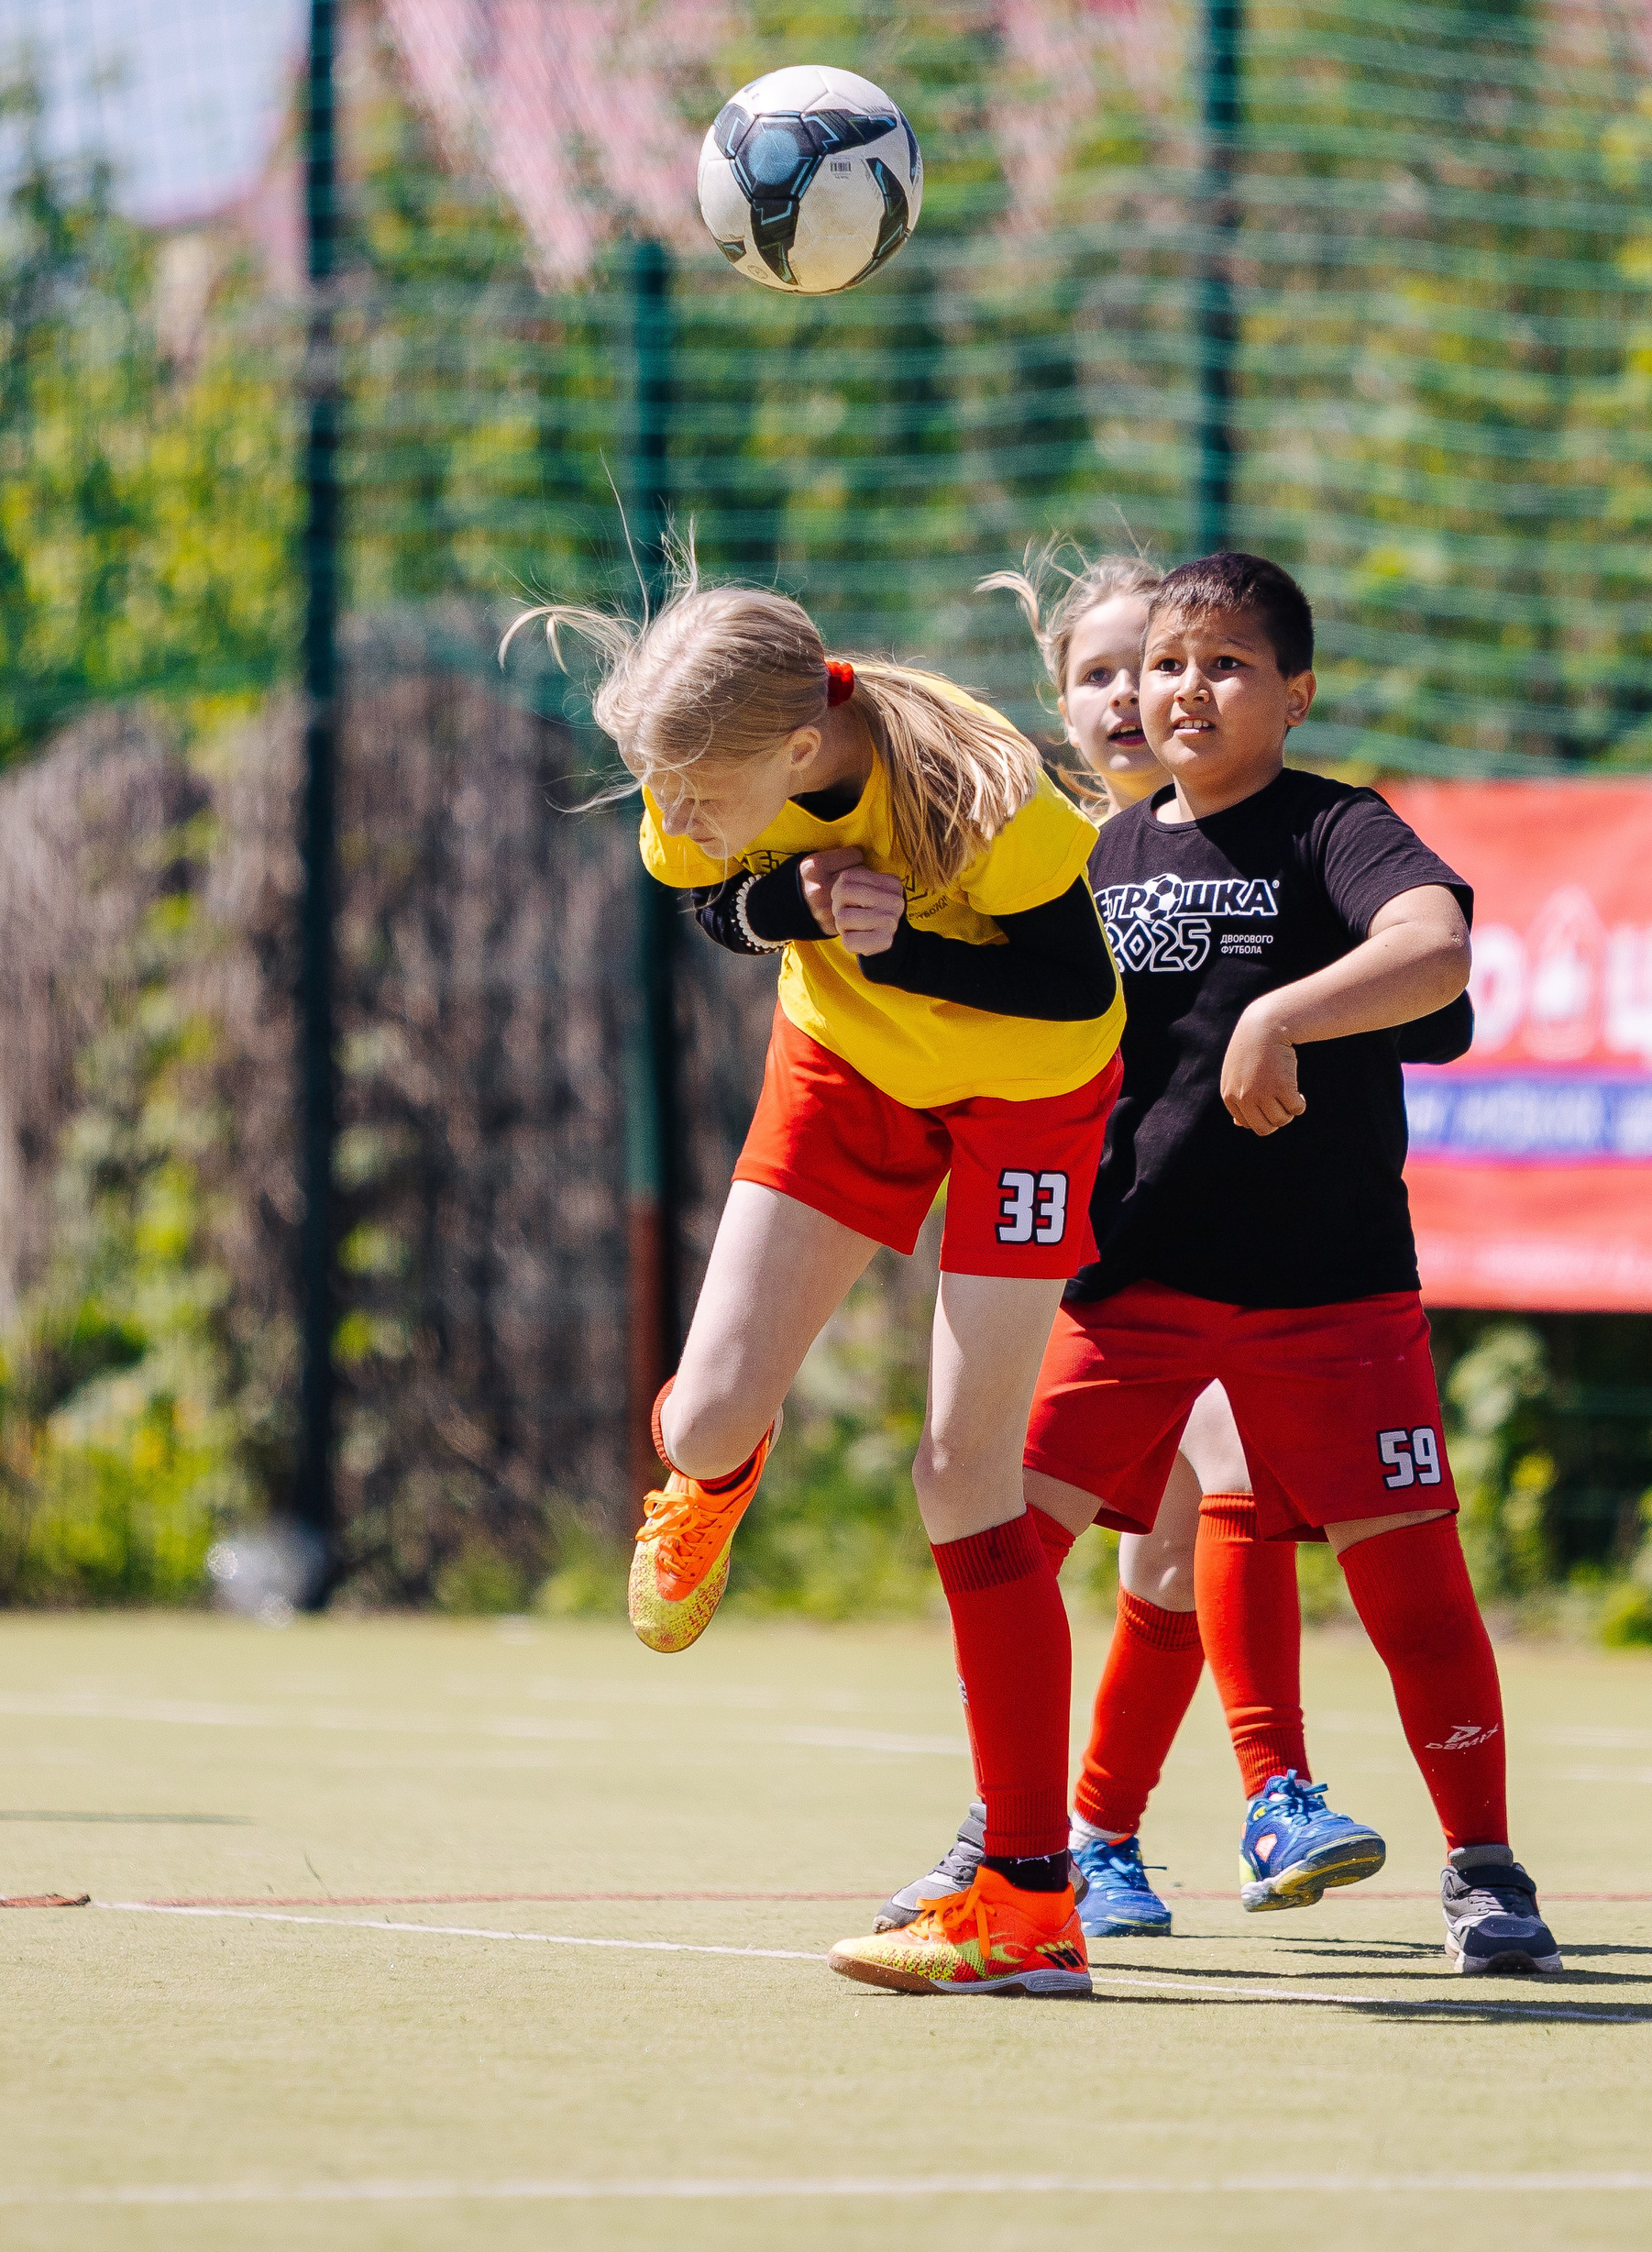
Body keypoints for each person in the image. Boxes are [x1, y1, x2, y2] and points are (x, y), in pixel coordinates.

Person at [895, 550, 1560, 1977]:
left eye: (1228, 666)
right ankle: (1011, 1848)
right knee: (1005, 1546)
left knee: (1416, 1594)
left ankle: (1486, 1874)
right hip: (1130, 1282)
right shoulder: (1104, 857)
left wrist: (1283, 1021)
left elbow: (1436, 951)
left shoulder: (1338, 831)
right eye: (1166, 666)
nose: (1185, 690)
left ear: (1296, 694)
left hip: (1327, 1285)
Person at [507, 562, 1124, 1998]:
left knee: (962, 1470)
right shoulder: (693, 785)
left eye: (703, 794)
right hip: (847, 1067)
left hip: (1028, 1091)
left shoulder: (988, 797)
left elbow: (1075, 995)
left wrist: (901, 938)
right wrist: (788, 895)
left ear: (796, 750)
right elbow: (721, 907)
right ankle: (716, 1484)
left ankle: (1031, 1900)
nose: (678, 818)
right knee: (707, 1412)